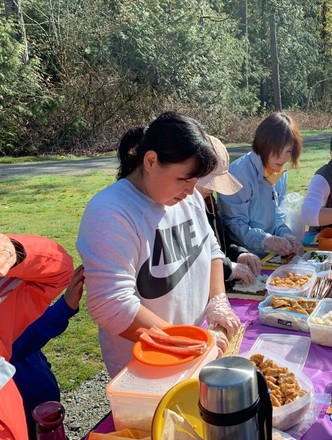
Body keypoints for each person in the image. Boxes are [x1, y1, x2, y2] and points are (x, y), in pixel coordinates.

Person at [76, 112, 241, 377]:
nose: (190, 191)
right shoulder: (110, 211)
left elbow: (210, 249)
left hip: (196, 347)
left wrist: (218, 301)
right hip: (149, 365)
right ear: (151, 161)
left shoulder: (188, 197)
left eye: (195, 182)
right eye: (184, 180)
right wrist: (184, 343)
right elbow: (112, 306)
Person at [0, 234, 74, 440]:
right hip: (24, 410)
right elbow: (27, 338)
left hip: (38, 406)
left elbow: (58, 269)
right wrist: (65, 308)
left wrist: (15, 250)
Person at [11, 265, 84, 440]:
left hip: (44, 414)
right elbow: (16, 343)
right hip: (18, 422)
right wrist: (64, 307)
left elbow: (25, 332)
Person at [218, 112, 305, 257]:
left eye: (288, 151)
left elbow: (277, 213)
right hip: (244, 256)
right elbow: (233, 223)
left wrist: (287, 235)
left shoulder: (280, 173)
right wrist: (266, 240)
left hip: (272, 254)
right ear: (263, 144)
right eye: (277, 151)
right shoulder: (238, 173)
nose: (282, 158)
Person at [196, 135, 262, 288]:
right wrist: (228, 268)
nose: (213, 189)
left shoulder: (208, 200)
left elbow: (221, 241)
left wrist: (239, 253)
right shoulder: (183, 208)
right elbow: (198, 256)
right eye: (210, 182)